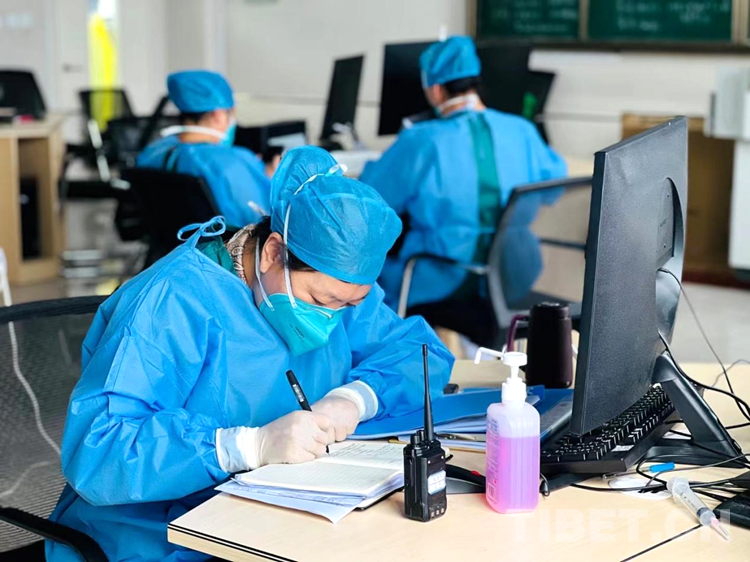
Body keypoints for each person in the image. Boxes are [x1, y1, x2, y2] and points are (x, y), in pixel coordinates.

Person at [46, 146, 454, 562]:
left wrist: (355, 398)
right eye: (321, 300)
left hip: (282, 515)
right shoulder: (173, 302)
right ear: (274, 252)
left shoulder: (338, 285)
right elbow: (100, 450)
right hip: (161, 533)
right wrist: (244, 446)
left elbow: (420, 353)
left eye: (349, 305)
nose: (333, 318)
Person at [360, 36, 567, 314]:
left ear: (435, 90)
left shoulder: (422, 140)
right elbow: (554, 191)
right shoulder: (522, 131)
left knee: (365, 282)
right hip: (515, 276)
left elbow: (369, 201)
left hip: (441, 276)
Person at [137, 70, 272, 228]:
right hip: (222, 243)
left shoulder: (153, 151)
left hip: (170, 240)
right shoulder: (233, 161)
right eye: (230, 114)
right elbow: (262, 219)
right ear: (218, 115)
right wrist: (272, 180)